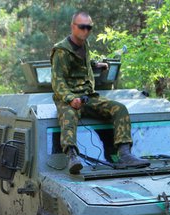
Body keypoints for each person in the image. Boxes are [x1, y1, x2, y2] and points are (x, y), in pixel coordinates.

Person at [51, 11, 149, 174]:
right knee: (68, 117)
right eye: (82, 27)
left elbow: (81, 64)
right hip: (68, 97)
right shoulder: (61, 50)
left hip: (88, 96)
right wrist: (70, 99)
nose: (86, 31)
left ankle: (124, 154)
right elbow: (58, 80)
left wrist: (96, 65)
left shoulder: (84, 44)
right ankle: (72, 156)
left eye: (89, 28)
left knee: (119, 109)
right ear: (73, 27)